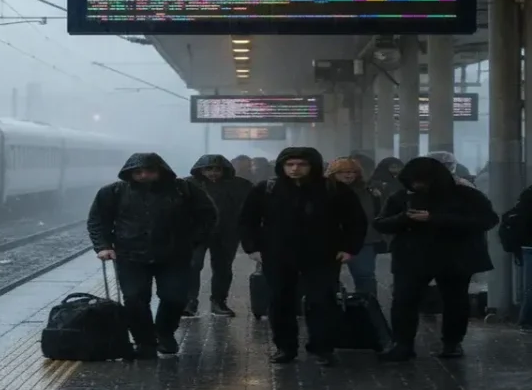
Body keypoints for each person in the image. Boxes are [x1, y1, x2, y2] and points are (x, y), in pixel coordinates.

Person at [238, 147, 367, 366]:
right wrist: (252, 248)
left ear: (313, 166)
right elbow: (247, 220)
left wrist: (349, 248)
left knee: (322, 301)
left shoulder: (333, 189)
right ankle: (285, 347)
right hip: (278, 255)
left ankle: (322, 347)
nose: (295, 169)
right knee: (280, 301)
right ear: (282, 166)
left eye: (301, 164)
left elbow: (355, 220)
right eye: (290, 164)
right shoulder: (266, 189)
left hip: (322, 255)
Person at [87, 152, 218, 358]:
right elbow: (97, 220)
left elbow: (208, 215)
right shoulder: (113, 192)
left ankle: (165, 333)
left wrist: (192, 240)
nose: (144, 175)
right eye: (138, 172)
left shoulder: (183, 189)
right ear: (129, 173)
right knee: (135, 298)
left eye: (149, 171)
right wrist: (103, 246)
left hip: (174, 254)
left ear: (161, 170)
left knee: (174, 297)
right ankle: (144, 341)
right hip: (131, 255)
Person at [374, 156, 498, 361]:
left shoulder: (465, 195)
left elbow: (487, 219)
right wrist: (404, 218)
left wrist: (434, 218)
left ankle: (452, 342)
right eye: (412, 181)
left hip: (454, 256)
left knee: (455, 301)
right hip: (412, 257)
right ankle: (402, 344)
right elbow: (380, 223)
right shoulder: (401, 197)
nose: (417, 186)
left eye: (421, 181)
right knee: (404, 300)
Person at [183, 154, 253, 317]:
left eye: (217, 169)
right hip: (197, 233)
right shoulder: (188, 184)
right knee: (193, 266)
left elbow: (249, 207)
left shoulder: (240, 185)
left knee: (223, 268)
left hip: (226, 232)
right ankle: (189, 302)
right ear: (201, 170)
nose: (213, 173)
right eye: (209, 169)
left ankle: (219, 301)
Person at [326, 157, 386, 295]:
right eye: (342, 172)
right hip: (330, 241)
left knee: (364, 276)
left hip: (363, 239)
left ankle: (368, 310)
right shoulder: (323, 191)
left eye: (352, 171)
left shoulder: (368, 191)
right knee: (327, 279)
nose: (348, 175)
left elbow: (376, 214)